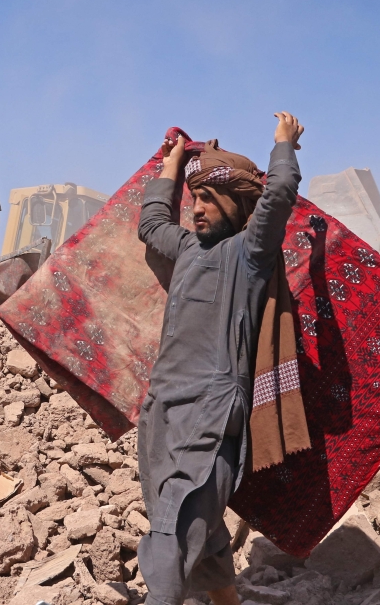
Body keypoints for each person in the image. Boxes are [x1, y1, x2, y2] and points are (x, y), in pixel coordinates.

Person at [135, 113, 306, 605]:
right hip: (163, 407)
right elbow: (151, 223)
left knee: (174, 521)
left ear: (234, 204)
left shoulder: (248, 254)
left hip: (211, 410)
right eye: (194, 199)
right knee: (193, 526)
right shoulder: (188, 247)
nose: (198, 209)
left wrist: (283, 147)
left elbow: (276, 198)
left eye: (210, 199)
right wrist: (171, 164)